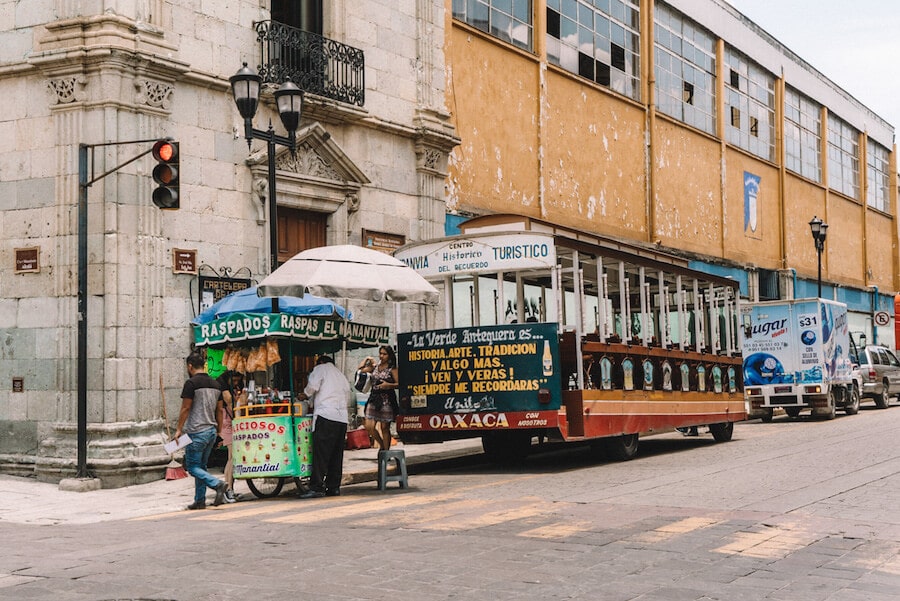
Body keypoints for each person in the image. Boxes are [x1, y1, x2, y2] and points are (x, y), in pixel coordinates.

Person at [175, 351, 229, 510]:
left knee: (192, 467)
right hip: (211, 431)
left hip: (197, 432)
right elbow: (220, 411)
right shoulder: (215, 384)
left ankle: (217, 483)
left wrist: (178, 429)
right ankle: (199, 500)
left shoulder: (191, 384)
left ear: (190, 366)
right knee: (202, 467)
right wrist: (218, 430)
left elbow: (185, 408)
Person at [295, 355, 351, 498]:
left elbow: (312, 387)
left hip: (326, 416)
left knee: (321, 454)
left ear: (320, 362)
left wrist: (304, 395)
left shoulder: (321, 368)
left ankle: (316, 487)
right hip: (342, 418)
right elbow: (348, 397)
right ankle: (333, 487)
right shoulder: (341, 375)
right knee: (336, 455)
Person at [359, 345, 399, 451]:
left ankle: (386, 451)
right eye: (380, 353)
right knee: (368, 425)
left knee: (384, 427)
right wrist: (367, 359)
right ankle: (381, 445)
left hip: (386, 399)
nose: (381, 356)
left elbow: (398, 384)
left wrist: (388, 385)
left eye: (384, 354)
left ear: (389, 356)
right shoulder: (375, 366)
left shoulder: (392, 368)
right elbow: (360, 370)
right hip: (374, 397)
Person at [215, 370, 245, 504]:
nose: (236, 383)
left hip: (232, 422)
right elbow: (231, 404)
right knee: (232, 457)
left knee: (233, 457)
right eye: (233, 381)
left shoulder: (236, 388)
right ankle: (227, 489)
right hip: (226, 423)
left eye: (238, 381)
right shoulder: (223, 389)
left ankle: (230, 487)